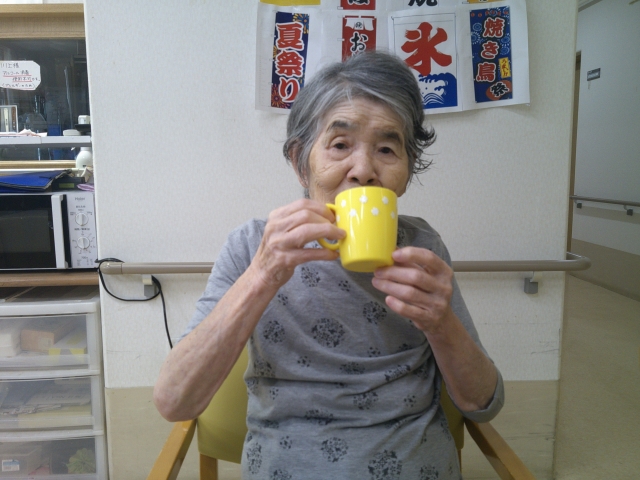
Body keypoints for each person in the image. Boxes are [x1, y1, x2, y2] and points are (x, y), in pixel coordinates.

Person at [154, 51, 503, 479]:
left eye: (387, 148)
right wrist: (262, 275)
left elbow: (483, 403)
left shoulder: (422, 250)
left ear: (406, 172)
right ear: (301, 160)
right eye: (340, 145)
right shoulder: (252, 248)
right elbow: (175, 401)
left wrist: (441, 322)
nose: (363, 170)